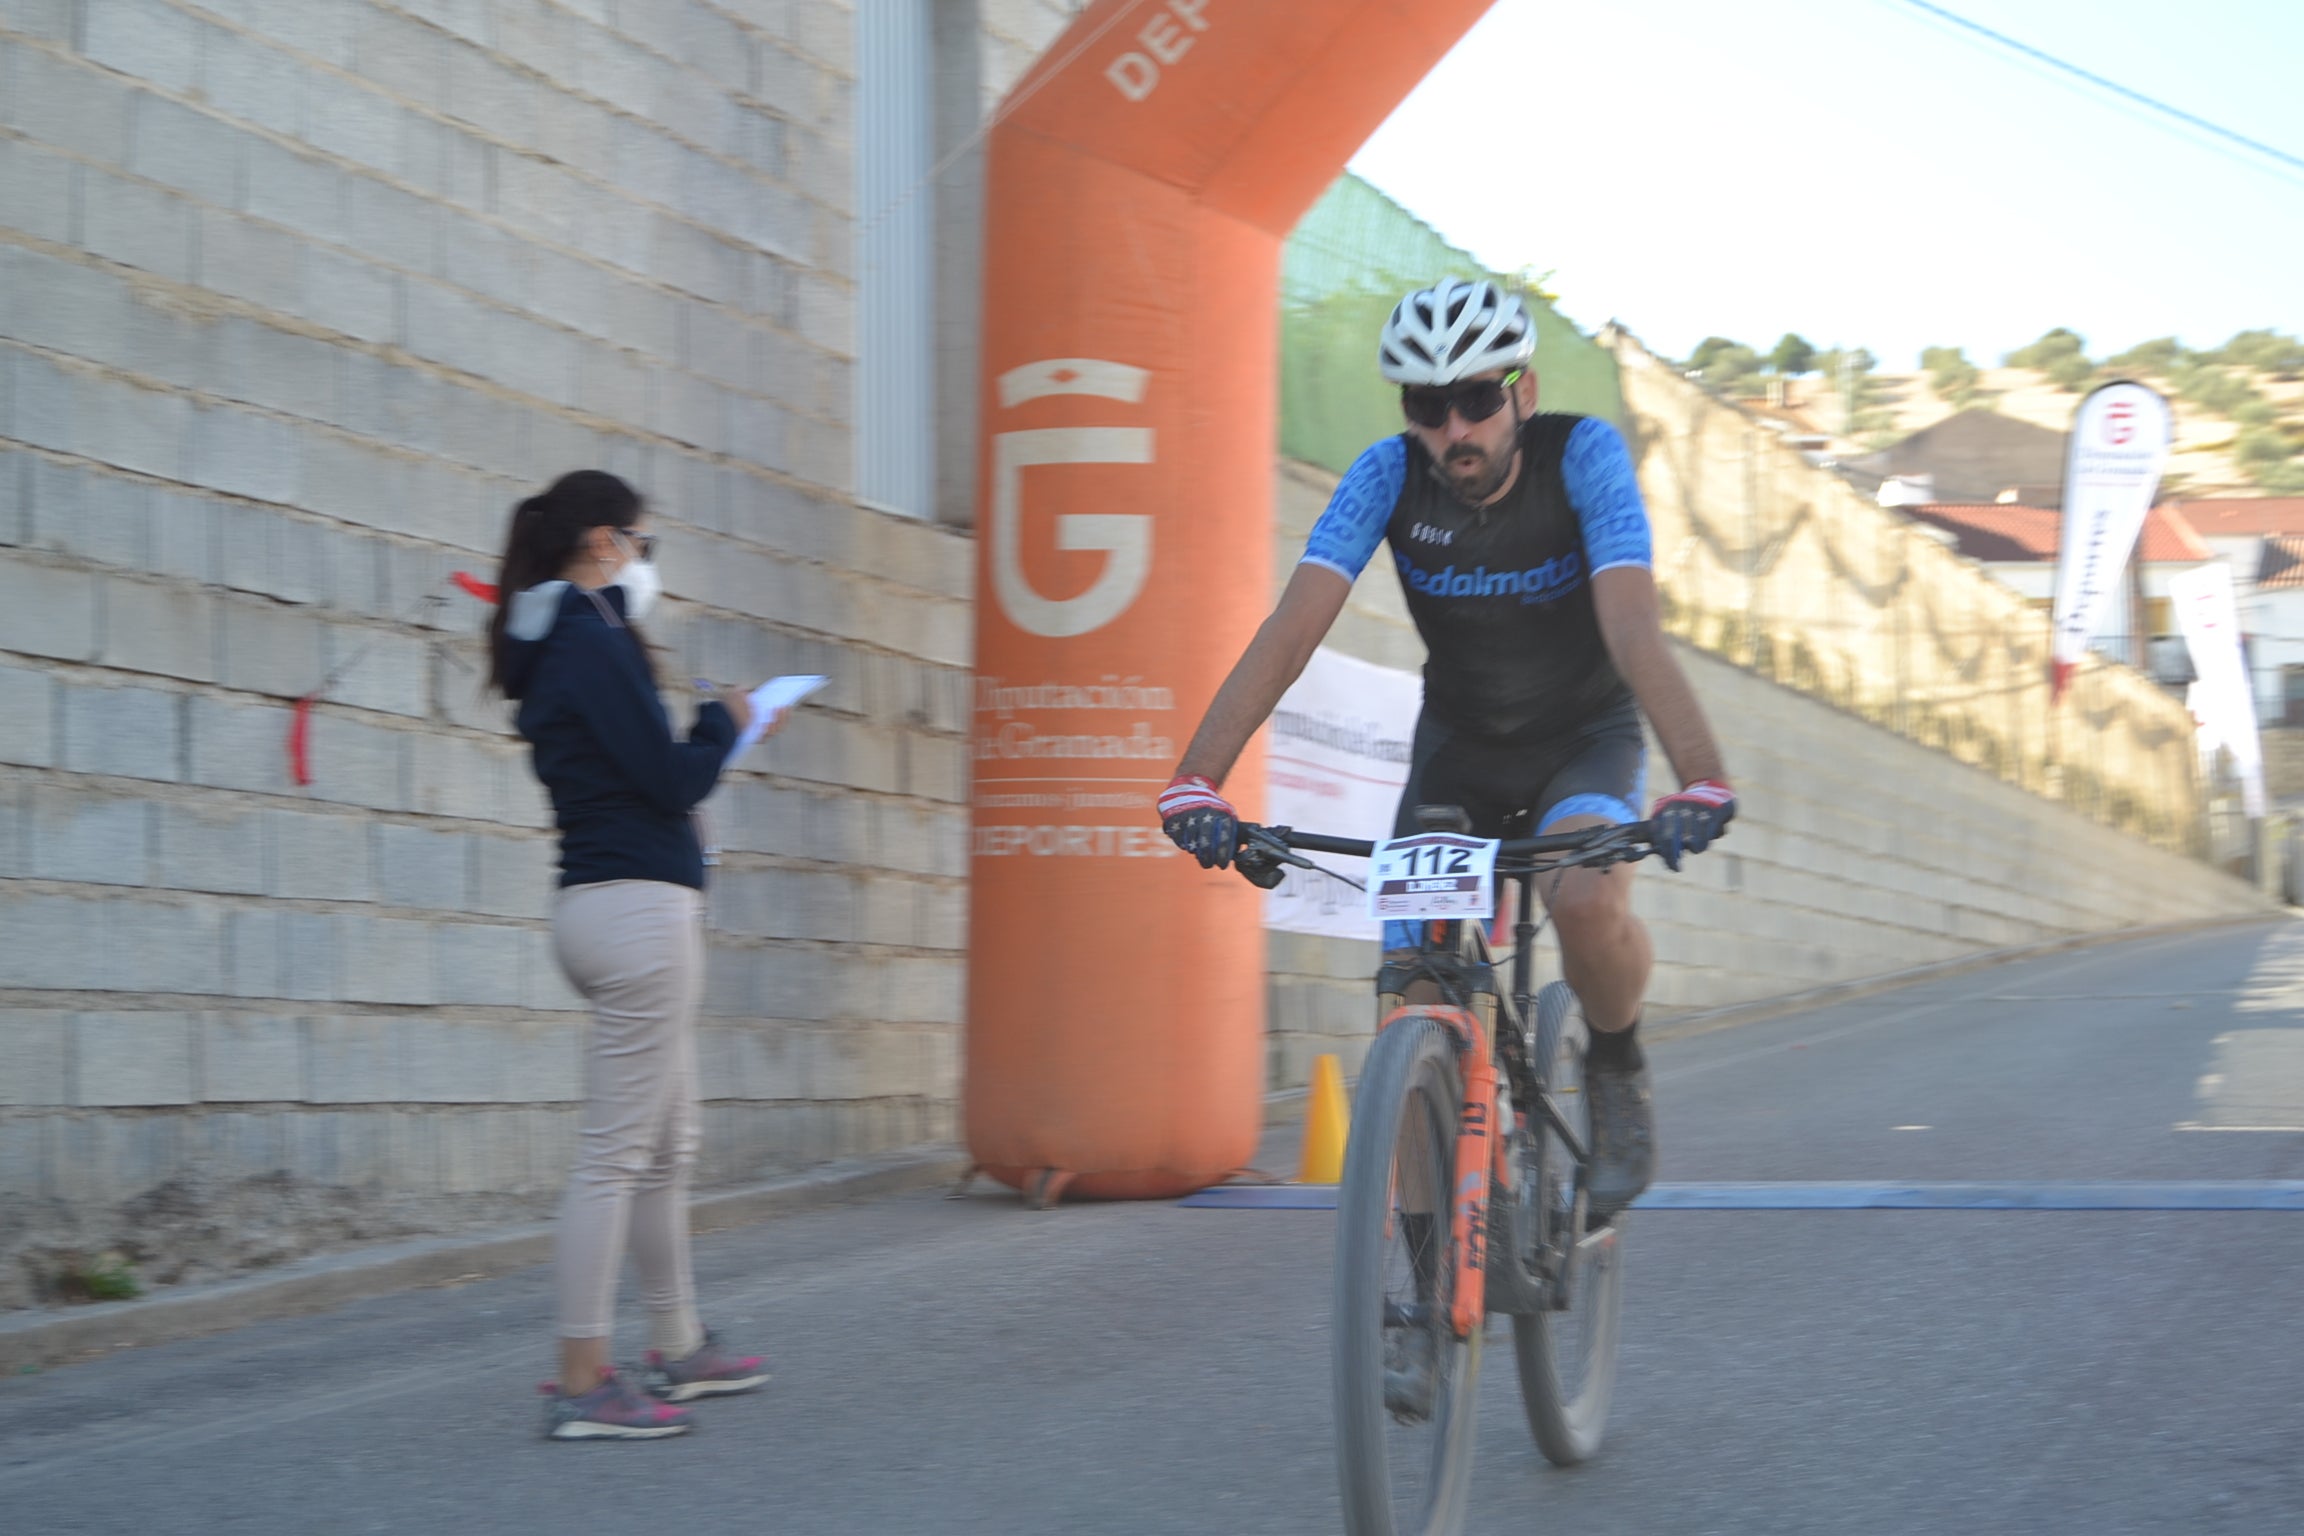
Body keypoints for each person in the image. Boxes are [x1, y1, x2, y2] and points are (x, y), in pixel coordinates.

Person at [1158, 279, 1736, 1218]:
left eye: (1476, 398)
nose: (1454, 429)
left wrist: (1701, 774)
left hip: (1582, 737)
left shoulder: (1582, 454)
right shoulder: (1386, 475)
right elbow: (1292, 629)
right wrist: (1197, 778)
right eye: (1428, 407)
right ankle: (1420, 1303)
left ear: (1524, 392)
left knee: (1586, 900)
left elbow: (1631, 627)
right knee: (1415, 986)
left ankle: (1618, 1065)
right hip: (1459, 749)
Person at [487, 470, 783, 1441]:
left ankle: (679, 1343)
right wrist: (724, 725)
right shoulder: (588, 637)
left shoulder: (557, 642)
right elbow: (665, 779)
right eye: (642, 544)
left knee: (664, 1150)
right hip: (638, 918)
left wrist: (698, 729)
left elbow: (638, 773)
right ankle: (583, 1380)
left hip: (606, 907)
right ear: (603, 543)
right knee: (618, 1158)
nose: (648, 563)